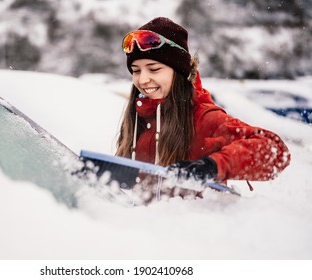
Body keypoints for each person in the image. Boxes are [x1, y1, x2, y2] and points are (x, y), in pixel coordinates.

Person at [116, 17, 291, 195]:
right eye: (136, 71)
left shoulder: (204, 117)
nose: (143, 80)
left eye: (154, 69)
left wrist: (211, 166)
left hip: (199, 221)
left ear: (178, 72)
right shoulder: (139, 116)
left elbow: (275, 150)